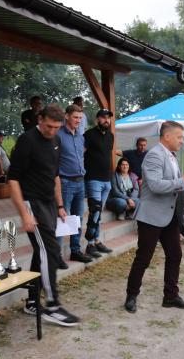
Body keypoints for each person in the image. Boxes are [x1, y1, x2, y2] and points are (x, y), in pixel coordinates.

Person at [7, 104, 80, 326]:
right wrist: (24, 214)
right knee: (50, 250)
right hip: (32, 203)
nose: (52, 131)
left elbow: (55, 176)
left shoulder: (56, 140)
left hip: (49, 203)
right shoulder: (27, 140)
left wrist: (60, 205)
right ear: (40, 119)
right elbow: (13, 180)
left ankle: (32, 301)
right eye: (49, 126)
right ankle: (52, 305)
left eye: (57, 127)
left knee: (42, 253)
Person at [124, 121, 184, 313]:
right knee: (144, 258)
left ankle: (171, 296)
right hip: (151, 216)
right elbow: (156, 185)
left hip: (169, 215)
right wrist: (183, 181)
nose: (182, 141)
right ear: (167, 136)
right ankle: (131, 296)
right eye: (179, 137)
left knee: (175, 255)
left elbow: (174, 184)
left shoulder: (171, 156)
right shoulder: (154, 155)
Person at [57, 104, 91, 267]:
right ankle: (56, 256)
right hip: (65, 182)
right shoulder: (58, 135)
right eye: (75, 117)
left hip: (80, 182)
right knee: (62, 219)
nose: (78, 120)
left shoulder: (80, 136)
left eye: (80, 118)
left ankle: (75, 251)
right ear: (67, 116)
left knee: (77, 219)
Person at [83, 109, 115, 259]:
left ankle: (96, 240)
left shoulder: (110, 136)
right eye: (103, 117)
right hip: (93, 179)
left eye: (108, 117)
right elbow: (80, 154)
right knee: (95, 211)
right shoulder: (88, 135)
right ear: (97, 119)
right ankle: (89, 244)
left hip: (106, 180)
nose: (106, 120)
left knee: (99, 213)